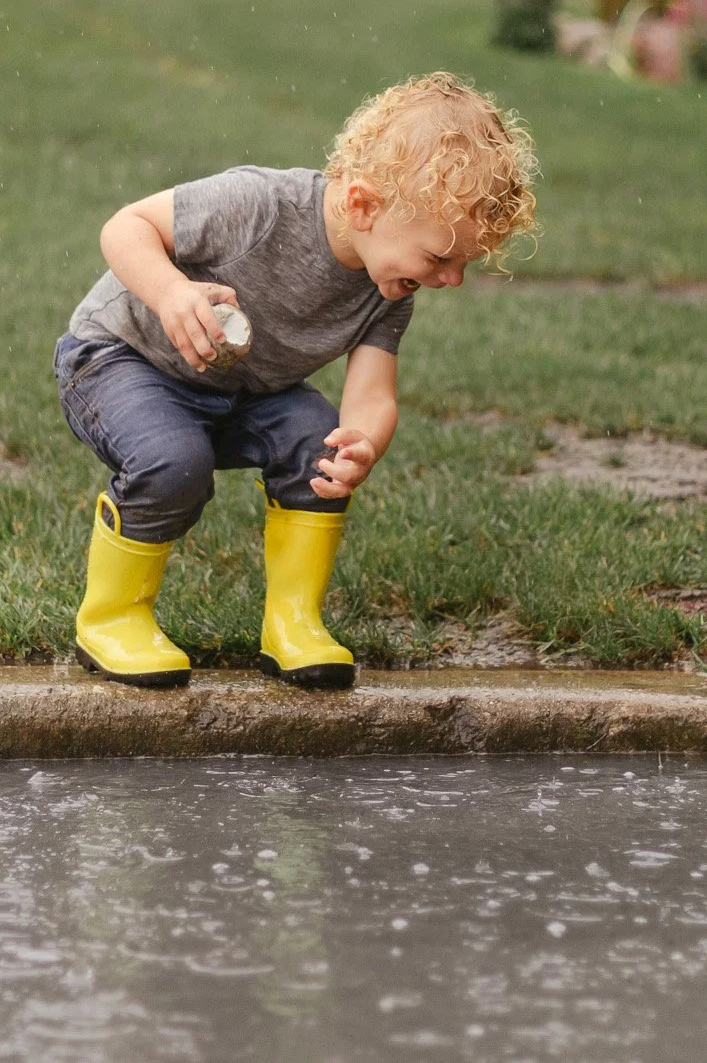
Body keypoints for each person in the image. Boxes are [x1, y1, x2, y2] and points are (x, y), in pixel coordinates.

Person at [52, 72, 539, 689]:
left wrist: (361, 442)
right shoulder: (258, 206)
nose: (452, 279)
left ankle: (292, 623)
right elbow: (125, 227)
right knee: (172, 461)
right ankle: (112, 618)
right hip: (121, 360)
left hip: (241, 390)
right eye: (440, 257)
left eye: (463, 263)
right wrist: (171, 292)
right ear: (363, 205)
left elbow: (372, 393)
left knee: (319, 440)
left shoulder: (387, 288)